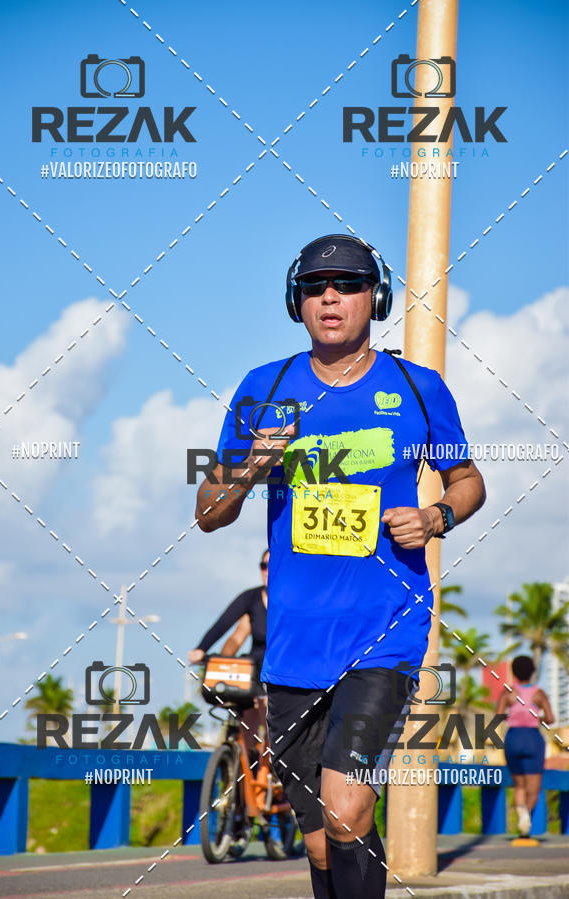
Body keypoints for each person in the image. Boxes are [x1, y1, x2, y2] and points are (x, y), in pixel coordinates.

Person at [195, 234, 486, 898]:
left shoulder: (418, 387)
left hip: (384, 633)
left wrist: (436, 516)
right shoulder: (263, 386)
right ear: (296, 300)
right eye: (317, 285)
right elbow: (208, 509)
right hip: (296, 646)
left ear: (374, 298)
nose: (331, 296)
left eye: (349, 284)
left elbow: (467, 478)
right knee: (324, 837)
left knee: (349, 808)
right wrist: (247, 471)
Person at [188, 549, 269, 750]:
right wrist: (203, 650)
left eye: (273, 566)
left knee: (266, 712)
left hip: (280, 672)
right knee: (246, 717)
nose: (267, 571)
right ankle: (242, 766)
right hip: (253, 671)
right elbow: (230, 632)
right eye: (263, 566)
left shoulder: (290, 603)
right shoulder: (251, 599)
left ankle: (269, 766)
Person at [496, 655, 554, 837]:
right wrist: (537, 717)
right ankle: (526, 816)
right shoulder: (539, 693)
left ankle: (522, 813)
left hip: (513, 738)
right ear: (532, 672)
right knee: (534, 788)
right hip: (532, 739)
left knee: (519, 785)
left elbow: (498, 716)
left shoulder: (508, 692)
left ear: (514, 672)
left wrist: (513, 716)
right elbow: (551, 719)